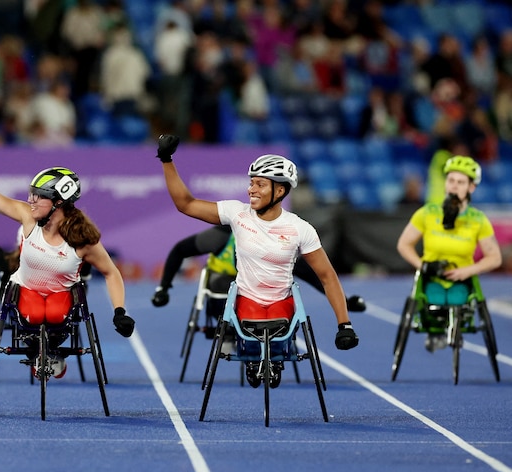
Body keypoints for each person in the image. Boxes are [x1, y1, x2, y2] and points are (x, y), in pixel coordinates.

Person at [154, 134, 359, 388]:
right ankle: (254, 357)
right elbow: (186, 204)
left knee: (277, 331)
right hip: (246, 302)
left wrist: (344, 324)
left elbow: (327, 277)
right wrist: (166, 160)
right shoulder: (237, 213)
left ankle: (271, 357)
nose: (251, 189)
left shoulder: (300, 229)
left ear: (280, 190)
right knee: (252, 332)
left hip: (282, 304)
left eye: (260, 184)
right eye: (251, 183)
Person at [0, 136, 134, 378]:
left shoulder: (83, 239)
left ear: (58, 203)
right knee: (34, 315)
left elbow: (111, 272)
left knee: (54, 315)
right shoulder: (28, 217)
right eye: (31, 194)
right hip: (26, 291)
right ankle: (38, 352)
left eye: (38, 196)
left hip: (61, 297)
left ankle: (52, 351)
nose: (30, 200)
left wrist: (119, 311)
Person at [396, 155, 502, 352]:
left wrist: (468, 271)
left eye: (461, 182)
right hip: (431, 279)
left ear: (471, 188)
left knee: (456, 299)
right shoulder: (427, 213)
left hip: (461, 280)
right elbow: (403, 244)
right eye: (451, 180)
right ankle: (436, 331)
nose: (454, 186)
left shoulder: (478, 219)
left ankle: (455, 330)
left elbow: (495, 257)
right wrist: (422, 266)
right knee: (435, 301)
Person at [151, 225, 367, 316]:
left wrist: (344, 303)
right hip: (224, 284)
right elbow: (180, 250)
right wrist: (164, 288)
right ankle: (227, 332)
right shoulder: (221, 236)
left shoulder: (273, 239)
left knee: (290, 275)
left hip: (260, 284)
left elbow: (311, 274)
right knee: (225, 285)